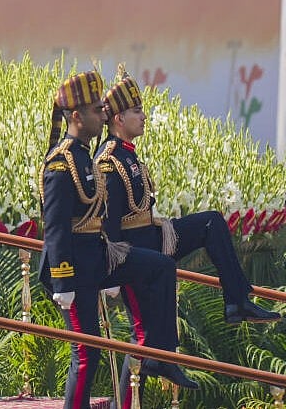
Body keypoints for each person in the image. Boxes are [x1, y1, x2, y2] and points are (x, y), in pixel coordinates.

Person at [96, 72, 279, 409]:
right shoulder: (108, 161)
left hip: (154, 236)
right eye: (137, 111)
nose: (144, 116)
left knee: (211, 222)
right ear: (119, 119)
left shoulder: (127, 154)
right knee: (141, 336)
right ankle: (137, 390)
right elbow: (109, 226)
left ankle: (236, 301)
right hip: (133, 254)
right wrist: (117, 275)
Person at [39, 71, 197, 409]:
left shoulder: (85, 155)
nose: (103, 115)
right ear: (77, 116)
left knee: (160, 266)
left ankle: (162, 354)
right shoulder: (61, 162)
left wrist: (112, 267)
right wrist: (62, 280)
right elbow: (55, 227)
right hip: (74, 271)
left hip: (96, 257)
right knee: (86, 353)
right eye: (97, 110)